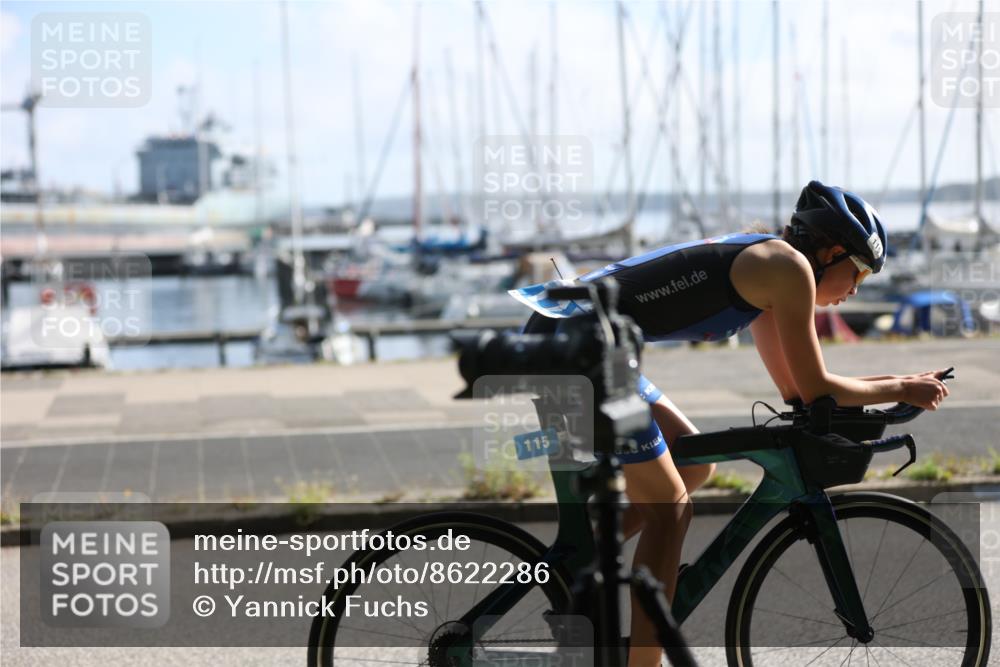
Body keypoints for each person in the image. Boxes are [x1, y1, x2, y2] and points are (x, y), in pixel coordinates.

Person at [511, 180, 951, 667]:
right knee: (670, 510)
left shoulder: (773, 272)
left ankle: (582, 566)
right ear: (831, 252)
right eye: (860, 274)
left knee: (695, 467)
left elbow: (797, 392)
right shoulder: (788, 270)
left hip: (579, 340)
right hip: (578, 350)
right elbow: (817, 387)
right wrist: (901, 387)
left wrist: (900, 382)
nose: (854, 290)